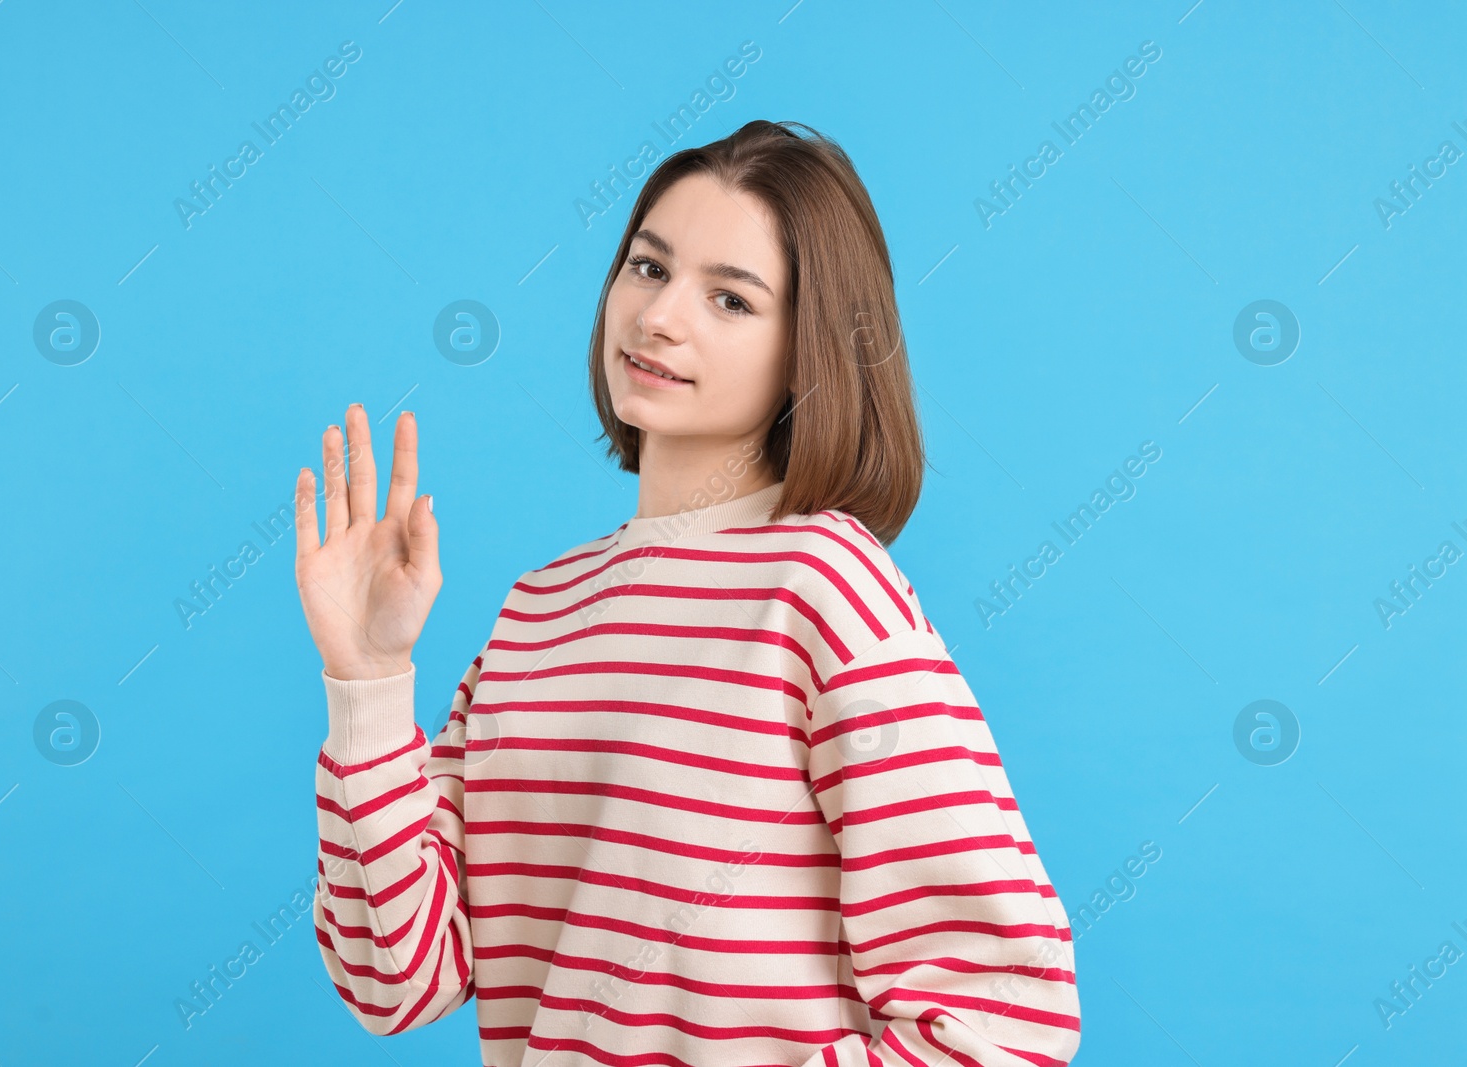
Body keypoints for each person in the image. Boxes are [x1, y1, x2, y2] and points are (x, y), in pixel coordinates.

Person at [295, 120, 1081, 1067]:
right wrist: (370, 678)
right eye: (649, 268)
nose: (662, 317)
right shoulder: (541, 611)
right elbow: (398, 979)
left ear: (812, 350)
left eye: (732, 299)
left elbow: (1005, 1018)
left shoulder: (825, 587)